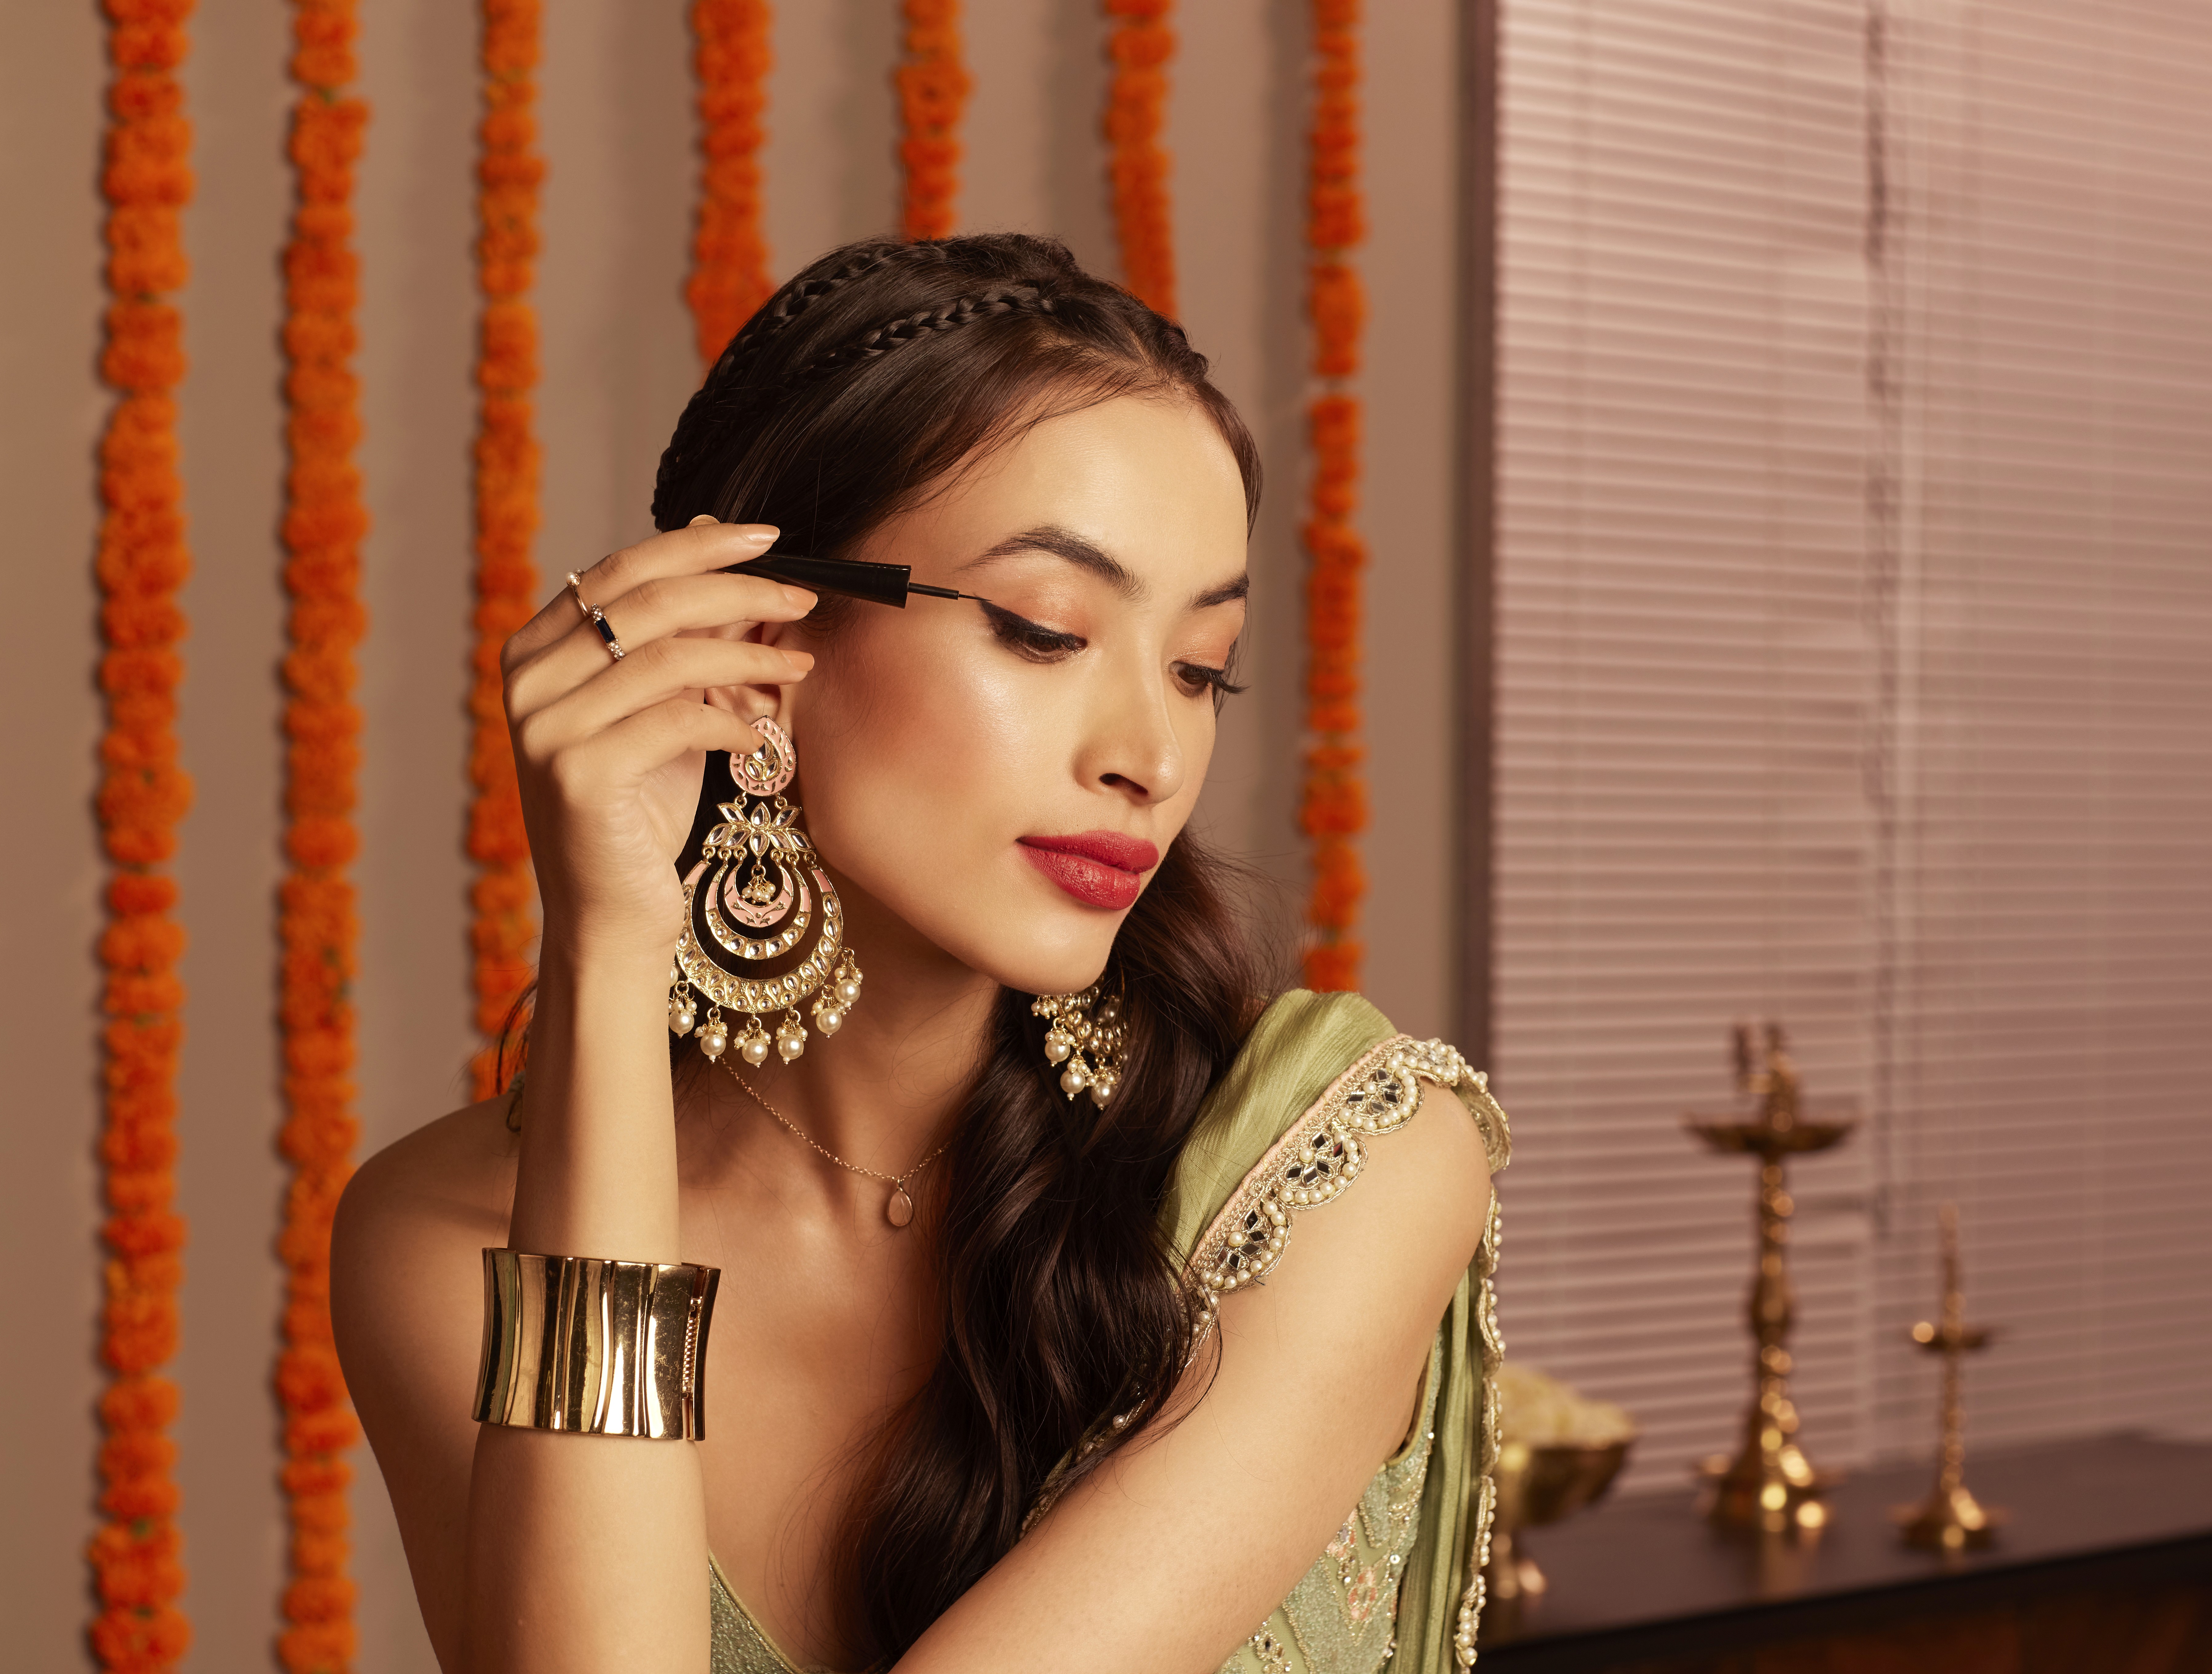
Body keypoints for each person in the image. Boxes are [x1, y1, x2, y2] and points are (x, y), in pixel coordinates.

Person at [331, 233, 1511, 1674]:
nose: (1150, 754)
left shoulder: (1341, 1162)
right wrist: (605, 955)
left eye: (1200, 666)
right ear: (756, 636)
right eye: (1042, 629)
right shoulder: (436, 1239)